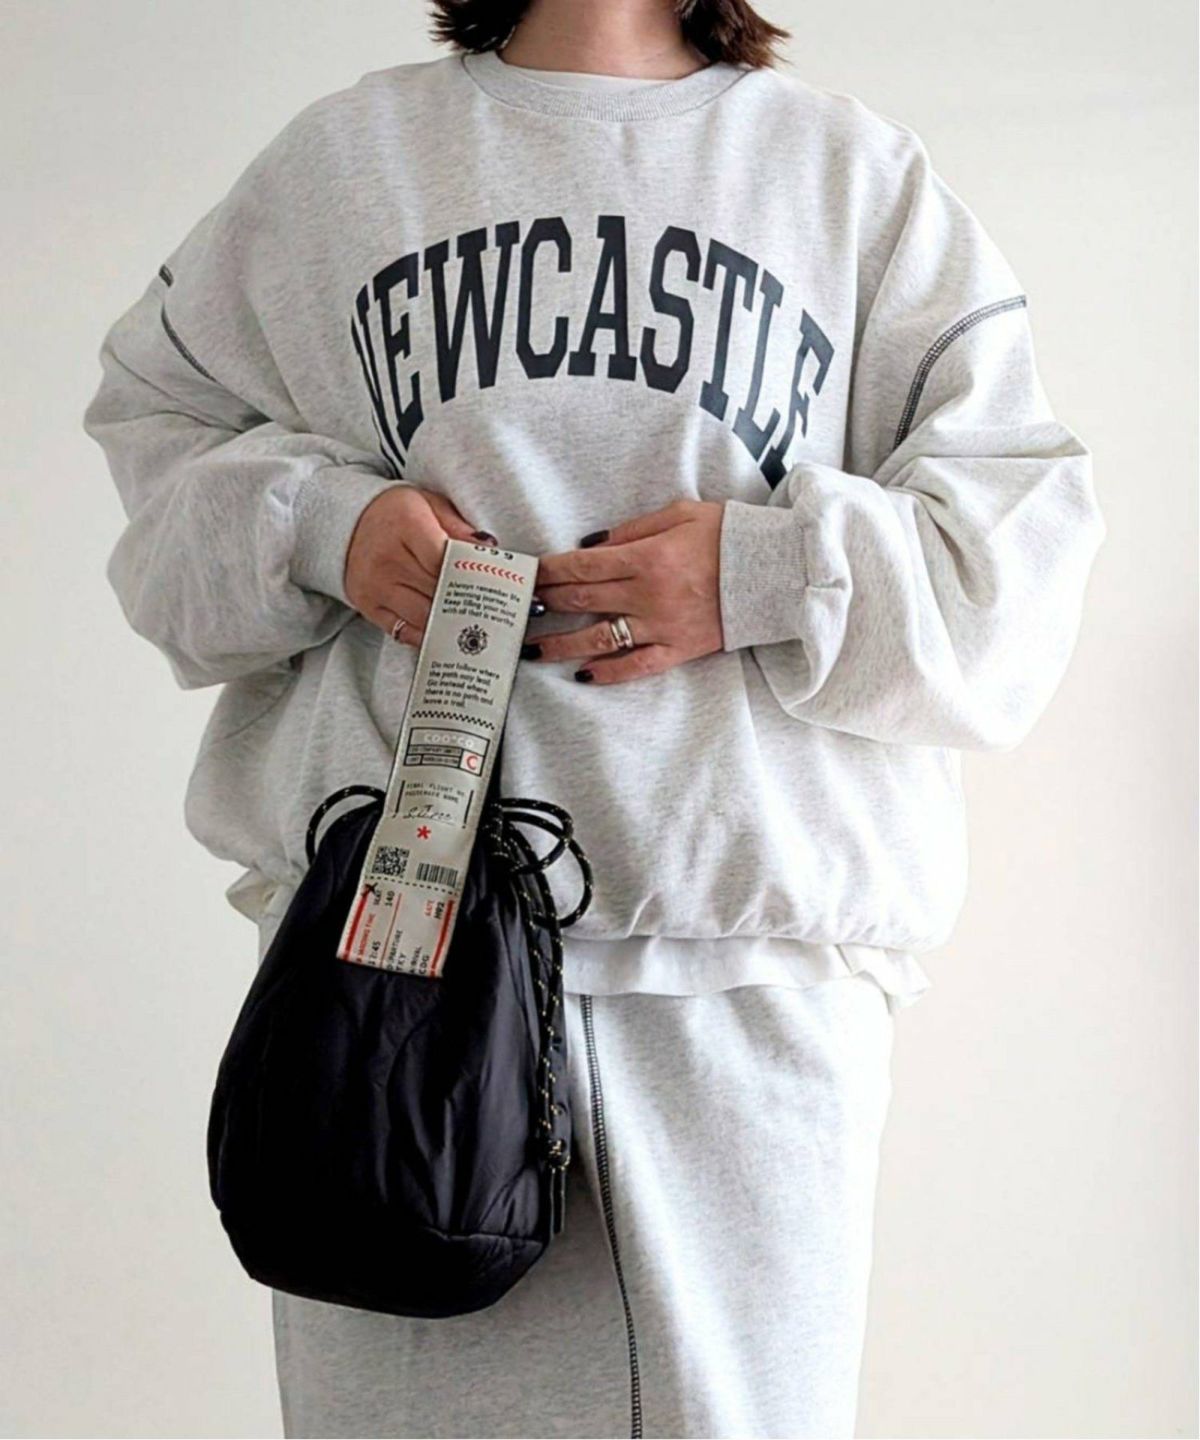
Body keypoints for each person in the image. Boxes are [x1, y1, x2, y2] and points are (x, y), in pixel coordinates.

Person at [81, 0, 1106, 1435]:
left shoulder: (851, 179)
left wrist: (764, 572)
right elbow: (157, 465)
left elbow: (1016, 571)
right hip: (392, 986)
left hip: (744, 990)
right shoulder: (341, 165)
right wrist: (321, 525)